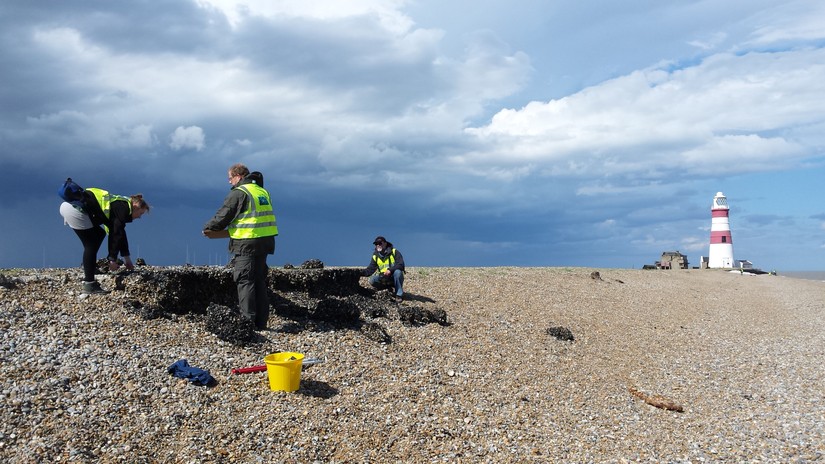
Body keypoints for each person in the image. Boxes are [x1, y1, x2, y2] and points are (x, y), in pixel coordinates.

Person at [203, 164, 277, 330]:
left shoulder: (240, 192)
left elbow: (224, 214)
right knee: (259, 280)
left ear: (238, 176)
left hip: (247, 242)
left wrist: (209, 227)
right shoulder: (261, 191)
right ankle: (260, 323)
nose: (230, 182)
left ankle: (247, 323)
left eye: (230, 178)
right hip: (265, 242)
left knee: (245, 280)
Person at [59, 188, 151, 294]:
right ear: (135, 206)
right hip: (76, 209)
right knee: (91, 244)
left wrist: (127, 259)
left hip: (70, 207)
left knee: (99, 234)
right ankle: (89, 284)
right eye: (140, 213)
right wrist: (112, 260)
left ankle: (90, 268)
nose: (139, 217)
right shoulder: (123, 208)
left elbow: (119, 234)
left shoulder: (119, 205)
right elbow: (116, 234)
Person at [362, 236, 405, 301]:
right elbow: (370, 270)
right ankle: (387, 288)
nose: (378, 245)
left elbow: (401, 265)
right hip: (383, 278)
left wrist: (390, 270)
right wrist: (359, 273)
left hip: (394, 277)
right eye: (376, 244)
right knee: (372, 280)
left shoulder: (394, 252)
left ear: (385, 243)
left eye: (380, 243)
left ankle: (398, 295)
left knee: (398, 272)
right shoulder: (375, 256)